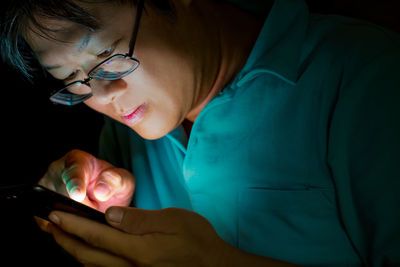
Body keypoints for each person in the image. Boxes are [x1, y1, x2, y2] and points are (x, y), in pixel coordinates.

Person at [1, 0, 399, 266]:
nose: (105, 96)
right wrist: (95, 217)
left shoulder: (366, 78)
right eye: (72, 79)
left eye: (108, 55)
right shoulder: (125, 129)